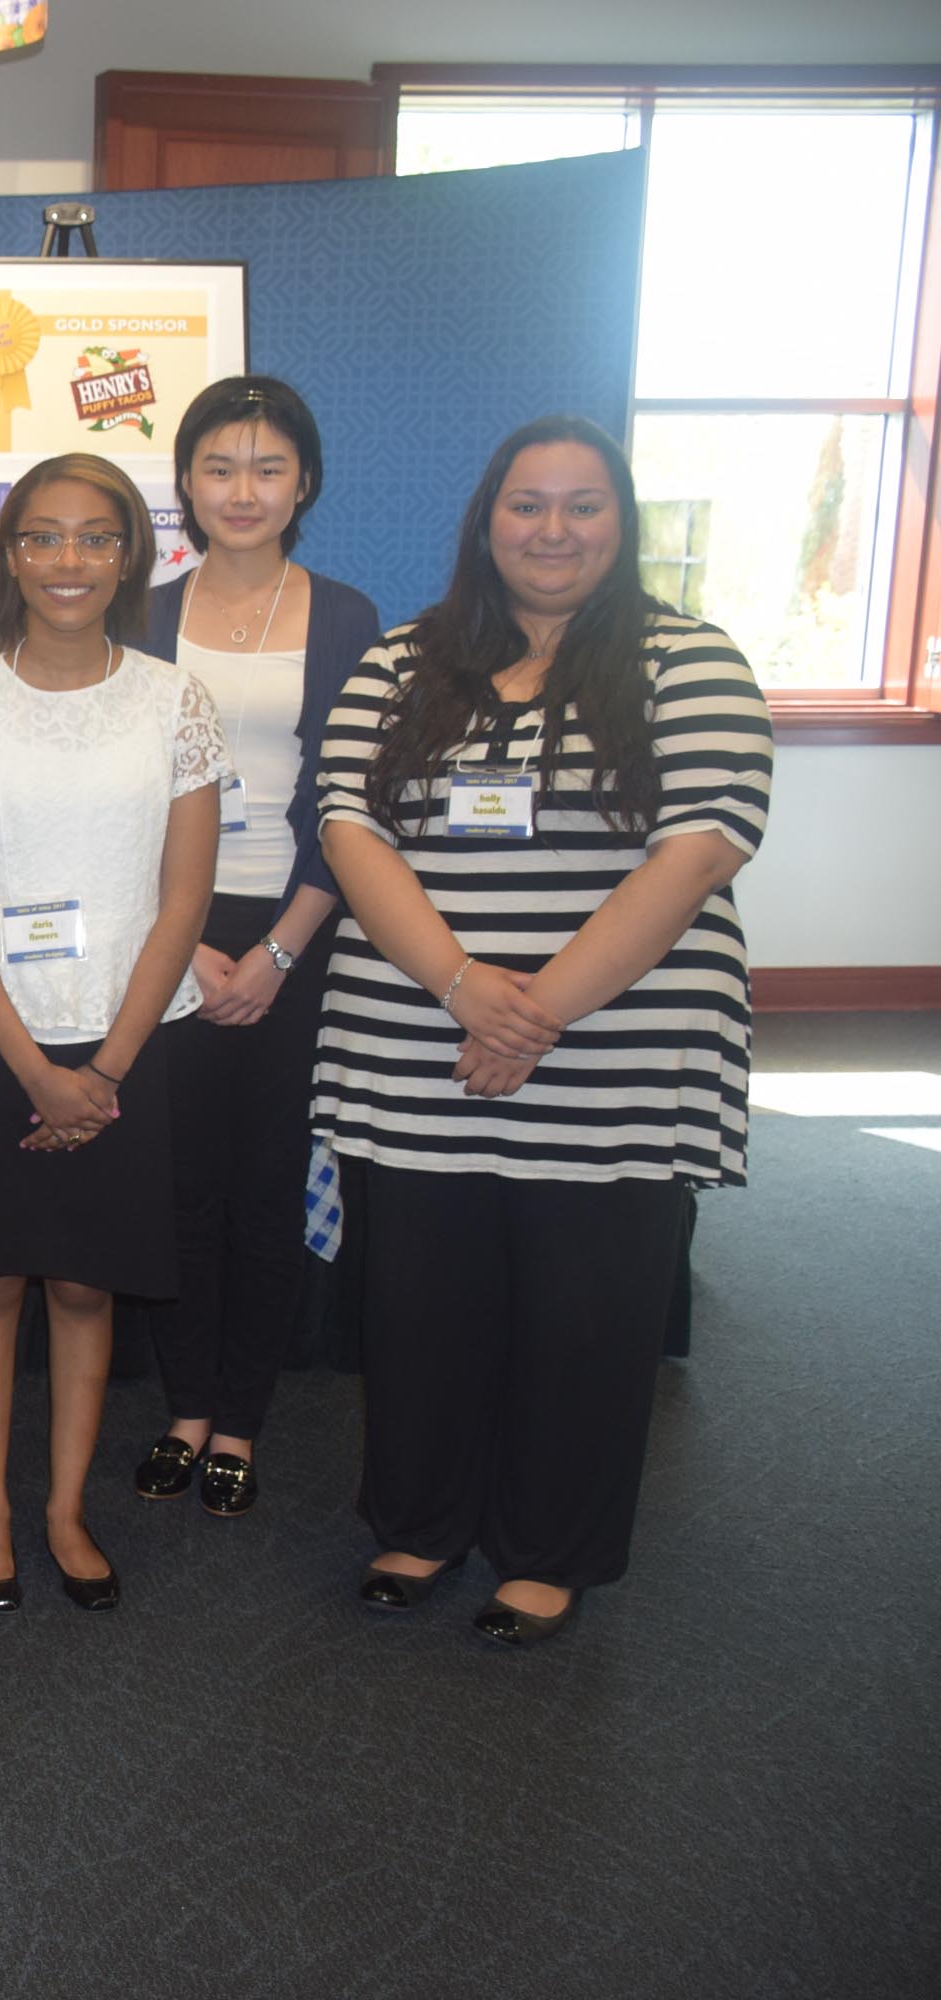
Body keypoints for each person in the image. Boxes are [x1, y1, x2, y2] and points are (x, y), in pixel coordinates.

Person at [310, 415, 768, 1647]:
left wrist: (536, 1011)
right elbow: (348, 825)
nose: (551, 529)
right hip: (418, 1040)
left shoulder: (690, 660)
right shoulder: (403, 660)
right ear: (485, 521)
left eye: (581, 504)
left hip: (616, 1057)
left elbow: (699, 848)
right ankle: (417, 1522)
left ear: (620, 522)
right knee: (422, 1308)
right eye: (526, 503)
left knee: (585, 1320)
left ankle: (548, 1551)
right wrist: (464, 985)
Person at [0, 454, 224, 1617]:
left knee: (87, 1289)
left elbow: (182, 901)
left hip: (124, 1041)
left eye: (95, 536)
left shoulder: (174, 701)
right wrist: (35, 1071)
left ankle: (63, 1509)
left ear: (130, 554)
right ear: (9, 554)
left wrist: (101, 1071)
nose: (67, 560)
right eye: (41, 535)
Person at [127, 377, 384, 1522]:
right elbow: (119, 792)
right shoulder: (141, 613)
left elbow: (352, 797)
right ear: (184, 482)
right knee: (178, 1181)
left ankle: (240, 1418)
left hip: (298, 927)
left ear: (304, 483)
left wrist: (279, 949)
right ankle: (185, 1405)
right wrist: (180, 942)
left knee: (267, 1183)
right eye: (219, 466)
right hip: (164, 929)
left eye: (267, 467)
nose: (242, 489)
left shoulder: (347, 618)